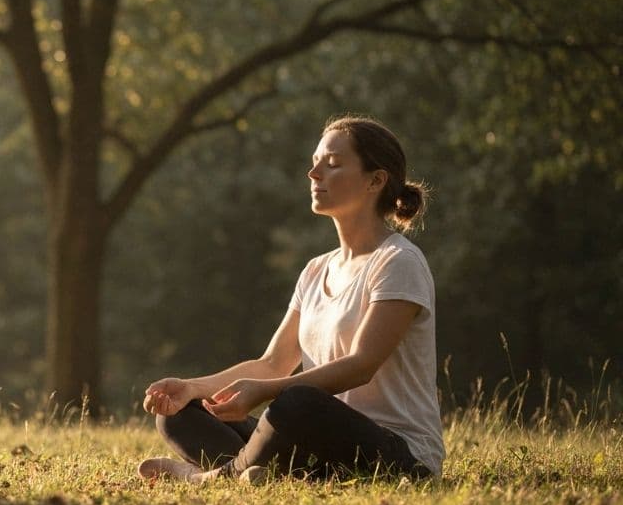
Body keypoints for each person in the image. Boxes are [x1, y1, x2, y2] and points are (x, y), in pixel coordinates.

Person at [139, 115, 443, 484]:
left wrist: (264, 393)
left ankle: (207, 479)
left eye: (331, 164)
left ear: (375, 180)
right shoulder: (316, 270)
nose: (313, 174)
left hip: (395, 454)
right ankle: (266, 473)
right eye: (315, 163)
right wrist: (193, 387)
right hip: (316, 444)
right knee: (179, 414)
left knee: (297, 403)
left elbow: (362, 364)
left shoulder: (398, 261)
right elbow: (271, 364)